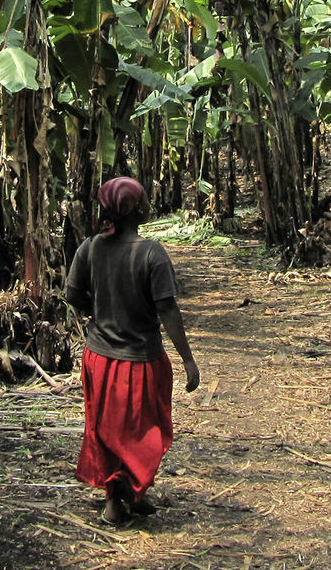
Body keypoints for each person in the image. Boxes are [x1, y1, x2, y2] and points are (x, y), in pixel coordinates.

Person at [65, 176, 200, 525]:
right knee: (141, 432)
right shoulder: (151, 254)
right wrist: (187, 359)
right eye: (142, 201)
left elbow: (73, 294)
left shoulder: (90, 248)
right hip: (140, 360)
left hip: (100, 357)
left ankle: (131, 493)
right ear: (133, 210)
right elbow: (168, 309)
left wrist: (97, 310)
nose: (146, 205)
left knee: (110, 430)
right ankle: (116, 498)